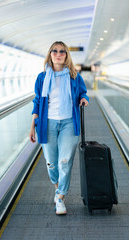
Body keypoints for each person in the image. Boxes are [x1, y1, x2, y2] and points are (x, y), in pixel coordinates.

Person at [29, 41, 89, 215]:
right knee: (51, 164)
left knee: (65, 162)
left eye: (62, 51)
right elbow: (37, 102)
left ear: (66, 55)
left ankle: (61, 197)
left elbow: (82, 92)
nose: (58, 54)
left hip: (69, 123)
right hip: (47, 123)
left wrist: (84, 98)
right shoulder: (42, 77)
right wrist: (33, 126)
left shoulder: (74, 76)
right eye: (54, 51)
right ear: (50, 54)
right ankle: (57, 188)